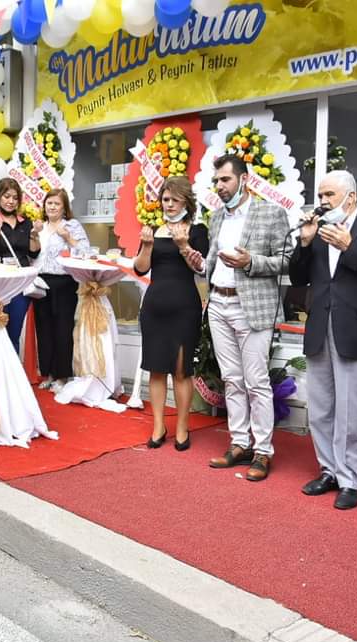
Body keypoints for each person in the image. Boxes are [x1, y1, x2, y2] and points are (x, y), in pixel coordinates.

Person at [290, 169, 357, 510]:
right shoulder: (318, 228)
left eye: (329, 195)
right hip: (320, 325)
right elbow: (297, 278)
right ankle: (329, 471)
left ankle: (351, 479)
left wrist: (350, 247)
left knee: (351, 411)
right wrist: (304, 243)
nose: (322, 201)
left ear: (350, 197)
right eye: (320, 196)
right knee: (320, 408)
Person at [199, 156, 292, 475]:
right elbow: (213, 262)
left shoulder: (271, 213)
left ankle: (263, 451)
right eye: (217, 181)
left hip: (252, 307)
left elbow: (287, 260)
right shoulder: (216, 218)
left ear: (244, 180)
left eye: (225, 179)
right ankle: (239, 443)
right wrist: (199, 263)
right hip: (218, 304)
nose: (220, 186)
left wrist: (251, 262)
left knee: (256, 382)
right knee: (231, 379)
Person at [135, 176, 209, 451]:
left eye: (175, 200)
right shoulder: (153, 230)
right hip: (154, 307)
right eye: (165, 199)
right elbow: (140, 268)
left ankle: (182, 426)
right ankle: (158, 426)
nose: (169, 204)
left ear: (186, 202)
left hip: (184, 307)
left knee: (180, 370)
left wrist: (183, 245)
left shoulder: (197, 231)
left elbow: (200, 268)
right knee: (156, 369)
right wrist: (147, 245)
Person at [33, 188, 86, 393]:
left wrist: (68, 238)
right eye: (49, 203)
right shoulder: (40, 226)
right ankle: (48, 373)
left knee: (63, 329)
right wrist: (33, 235)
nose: (52, 207)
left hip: (64, 282)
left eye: (57, 203)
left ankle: (63, 375)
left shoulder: (72, 225)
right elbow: (32, 254)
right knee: (44, 329)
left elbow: (85, 252)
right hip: (41, 282)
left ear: (64, 208)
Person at [0, 178, 40, 352]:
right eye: (7, 196)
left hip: (20, 283)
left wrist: (34, 235)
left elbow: (33, 253)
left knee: (14, 331)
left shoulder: (26, 223)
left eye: (15, 198)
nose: (11, 201)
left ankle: (12, 368)